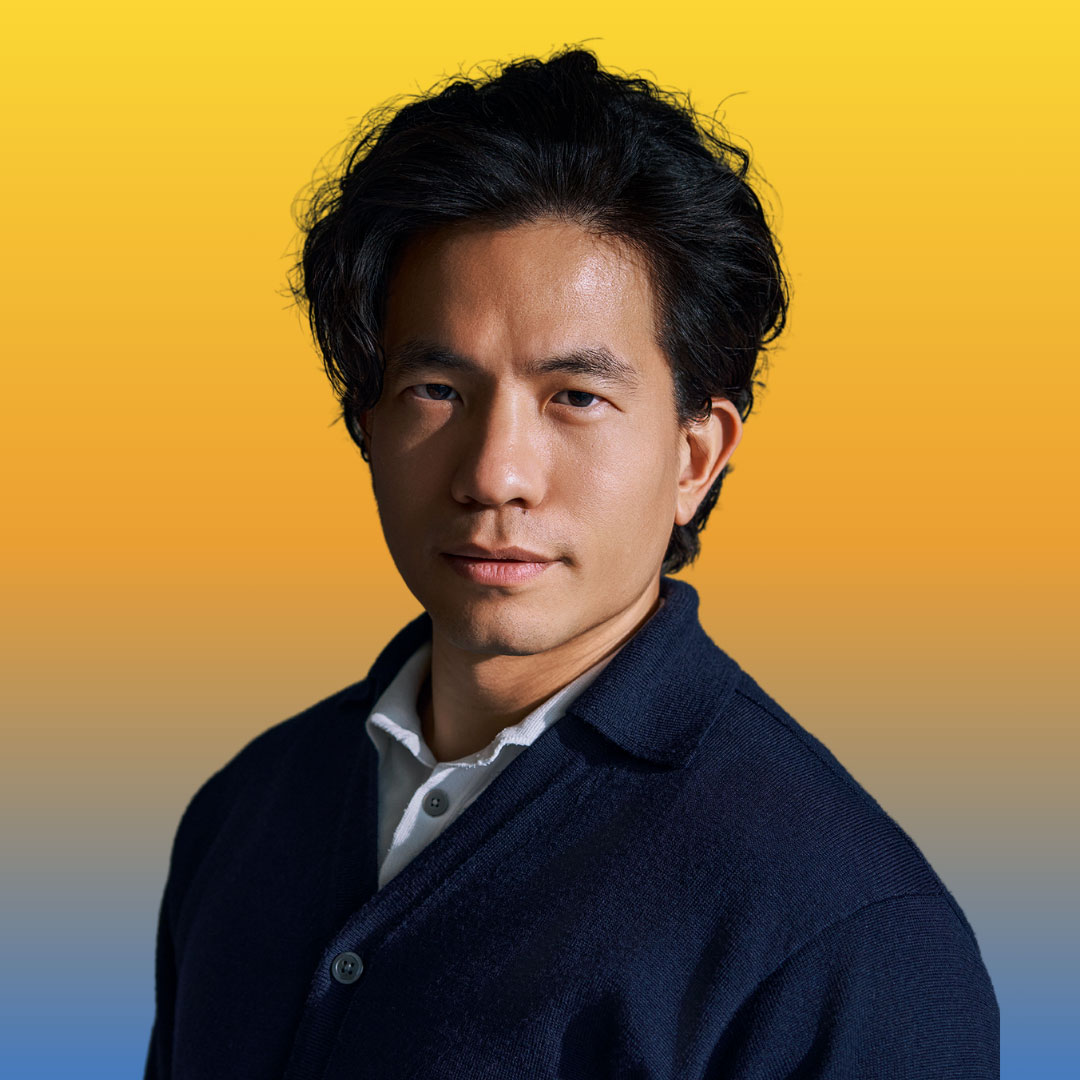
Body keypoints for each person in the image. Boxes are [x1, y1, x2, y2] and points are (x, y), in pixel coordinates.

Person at [145, 47, 998, 1079]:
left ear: (695, 456)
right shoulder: (248, 809)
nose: (495, 475)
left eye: (576, 398)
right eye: (437, 391)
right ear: (366, 422)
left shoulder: (849, 938)